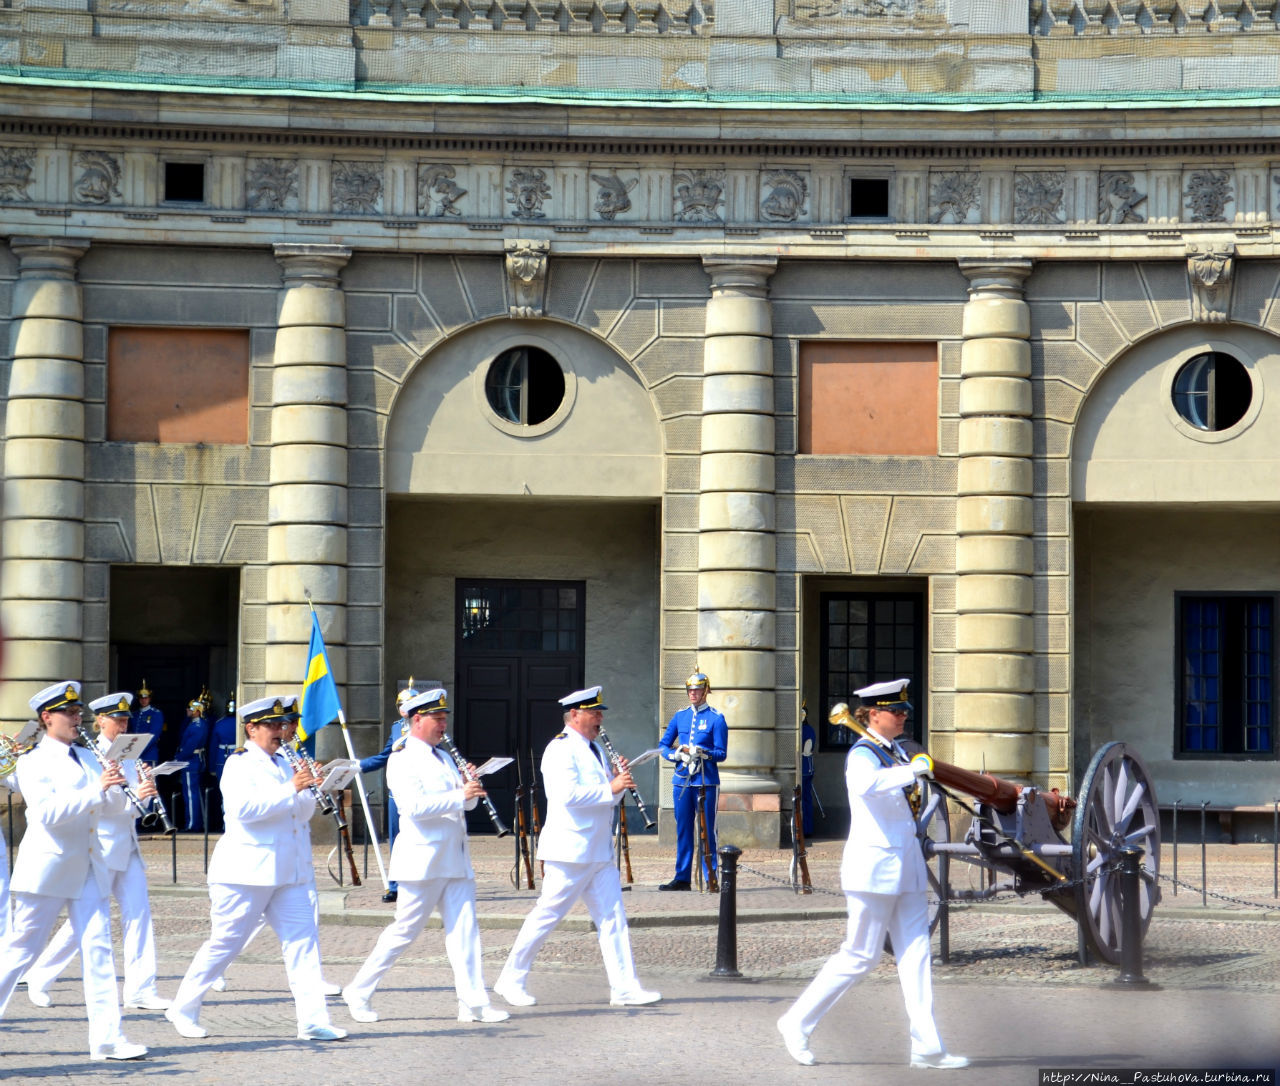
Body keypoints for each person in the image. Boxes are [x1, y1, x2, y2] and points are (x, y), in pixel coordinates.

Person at [776, 679, 968, 1070]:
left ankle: (926, 1045)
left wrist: (911, 768)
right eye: (895, 711)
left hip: (907, 866)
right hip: (874, 867)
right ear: (872, 714)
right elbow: (866, 786)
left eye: (904, 711)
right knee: (860, 956)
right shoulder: (863, 753)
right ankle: (796, 1021)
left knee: (916, 953)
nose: (902, 716)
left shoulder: (892, 749)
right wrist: (911, 771)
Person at [164, 695, 346, 1042]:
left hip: (288, 870)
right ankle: (183, 1007)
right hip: (246, 871)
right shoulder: (240, 764)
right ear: (252, 728)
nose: (281, 731)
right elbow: (246, 809)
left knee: (302, 943)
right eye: (273, 726)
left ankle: (312, 1020)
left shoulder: (283, 762)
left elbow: (300, 813)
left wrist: (311, 788)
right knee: (226, 943)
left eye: (282, 725)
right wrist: (291, 787)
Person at [0, 682, 148, 1061]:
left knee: (98, 949)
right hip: (49, 866)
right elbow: (46, 815)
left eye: (78, 711)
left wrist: (132, 793)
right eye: (68, 713)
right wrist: (97, 790)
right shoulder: (33, 761)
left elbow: (110, 808)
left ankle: (108, 1039)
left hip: (87, 864)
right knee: (20, 951)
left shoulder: (88, 756)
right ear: (46, 718)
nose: (76, 718)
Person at [342, 688, 508, 1025]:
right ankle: (359, 990)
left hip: (455, 856)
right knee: (404, 931)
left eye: (444, 718)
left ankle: (473, 1002)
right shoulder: (402, 758)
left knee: (465, 930)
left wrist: (470, 790)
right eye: (438, 718)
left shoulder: (445, 757)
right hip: (423, 860)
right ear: (417, 720)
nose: (443, 724)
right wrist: (458, 793)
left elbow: (464, 805)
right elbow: (413, 808)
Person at [494, 685, 660, 1009]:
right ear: (574, 715)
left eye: (600, 712)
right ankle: (510, 978)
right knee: (547, 915)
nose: (599, 718)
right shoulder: (560, 750)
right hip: (570, 851)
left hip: (597, 850)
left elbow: (606, 799)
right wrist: (609, 786)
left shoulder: (594, 749)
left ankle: (625, 987)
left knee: (613, 918)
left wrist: (617, 784)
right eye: (594, 712)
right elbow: (566, 795)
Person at [23, 693, 170, 1012]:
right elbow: (97, 805)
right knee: (83, 923)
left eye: (126, 720)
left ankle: (141, 989)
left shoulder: (128, 752)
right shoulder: (89, 753)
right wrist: (123, 795)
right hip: (100, 845)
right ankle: (40, 975)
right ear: (100, 721)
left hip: (127, 843)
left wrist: (145, 794)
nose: (123, 725)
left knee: (139, 914)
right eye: (117, 720)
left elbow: (128, 805)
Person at [658, 670, 728, 891]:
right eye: (690, 690)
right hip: (682, 782)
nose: (692, 693)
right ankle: (682, 877)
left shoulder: (716, 718)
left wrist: (702, 752)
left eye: (697, 690)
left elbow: (721, 753)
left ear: (706, 691)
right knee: (684, 830)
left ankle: (711, 876)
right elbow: (663, 746)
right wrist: (676, 754)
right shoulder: (680, 716)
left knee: (708, 830)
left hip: (705, 781)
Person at [358, 679, 420, 903]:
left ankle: (416, 882)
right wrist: (359, 765)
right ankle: (394, 885)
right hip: (398, 792)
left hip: (418, 791)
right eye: (401, 705)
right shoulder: (396, 727)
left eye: (408, 705)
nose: (404, 709)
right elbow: (385, 755)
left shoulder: (426, 725)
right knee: (397, 839)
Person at [175, 697, 209, 832]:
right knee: (192, 793)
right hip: (193, 760)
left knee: (190, 794)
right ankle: (194, 822)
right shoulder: (195, 724)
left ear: (196, 711)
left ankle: (193, 824)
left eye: (190, 708)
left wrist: (178, 758)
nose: (187, 710)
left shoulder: (197, 726)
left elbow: (189, 747)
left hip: (191, 761)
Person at [206, 694, 238, 832]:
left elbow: (213, 746)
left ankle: (226, 823)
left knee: (224, 793)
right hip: (232, 757)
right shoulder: (238, 723)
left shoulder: (220, 723)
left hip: (221, 760)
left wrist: (212, 766)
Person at [131, 679, 163, 764]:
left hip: (148, 754)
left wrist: (139, 749)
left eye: (146, 698)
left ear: (150, 698)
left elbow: (153, 736)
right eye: (141, 698)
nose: (143, 700)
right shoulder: (134, 714)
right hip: (134, 755)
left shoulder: (156, 714)